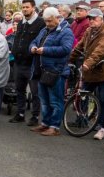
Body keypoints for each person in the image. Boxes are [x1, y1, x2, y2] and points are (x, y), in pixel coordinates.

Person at [69, 8, 104, 140]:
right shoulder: (89, 31)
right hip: (89, 71)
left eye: (94, 18)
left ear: (101, 19)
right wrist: (69, 60)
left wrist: (88, 63)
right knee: (82, 95)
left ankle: (103, 127)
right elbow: (79, 47)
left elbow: (100, 50)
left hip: (102, 71)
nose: (91, 21)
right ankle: (82, 120)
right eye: (90, 18)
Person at [28, 7, 74, 136]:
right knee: (45, 100)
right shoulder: (44, 30)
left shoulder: (66, 32)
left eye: (49, 21)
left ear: (57, 18)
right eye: (46, 21)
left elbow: (66, 49)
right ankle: (45, 124)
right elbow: (34, 41)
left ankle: (54, 127)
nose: (47, 24)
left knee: (55, 101)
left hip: (57, 71)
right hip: (43, 70)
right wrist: (33, 48)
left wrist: (45, 50)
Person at [9, 0, 45, 126]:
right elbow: (17, 40)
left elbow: (41, 41)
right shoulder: (21, 23)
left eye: (27, 7)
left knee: (35, 92)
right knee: (19, 90)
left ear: (33, 8)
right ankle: (20, 114)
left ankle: (35, 116)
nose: (24, 9)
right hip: (19, 62)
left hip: (32, 63)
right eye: (23, 7)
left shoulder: (41, 23)